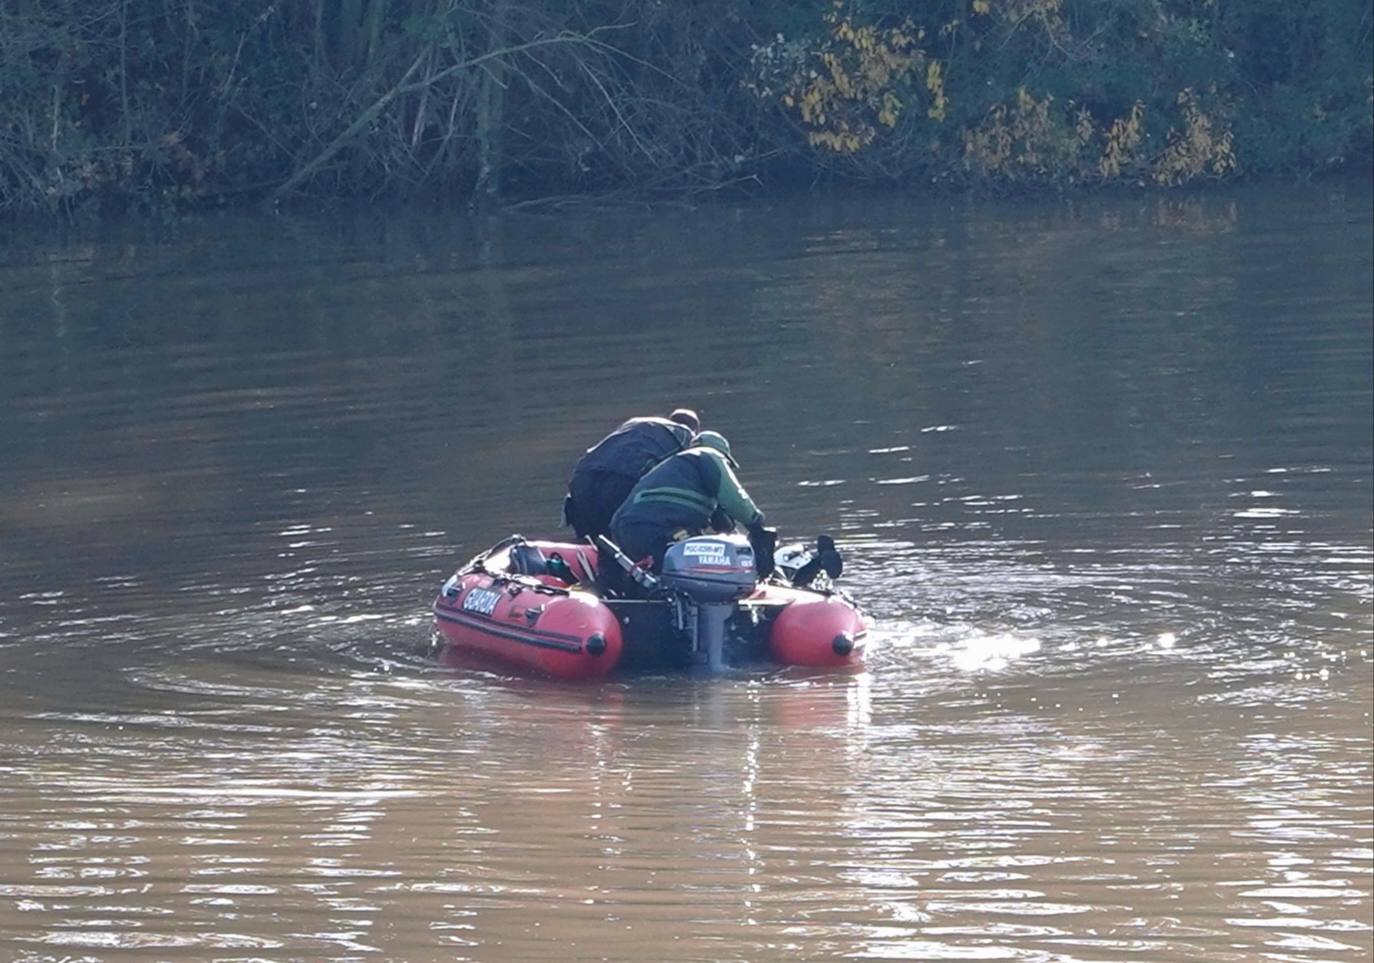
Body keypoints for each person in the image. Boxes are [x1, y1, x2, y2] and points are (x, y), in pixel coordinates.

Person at [607, 430, 769, 577]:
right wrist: (757, 523)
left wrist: (739, 541)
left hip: (625, 528)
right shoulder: (708, 455)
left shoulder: (679, 470)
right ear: (723, 458)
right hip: (654, 528)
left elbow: (724, 524)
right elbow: (736, 499)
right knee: (700, 574)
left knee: (659, 577)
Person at [563, 408, 700, 540]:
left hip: (581, 478)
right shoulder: (686, 437)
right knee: (631, 533)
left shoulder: (634, 423)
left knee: (593, 537)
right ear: (695, 430)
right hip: (622, 481)